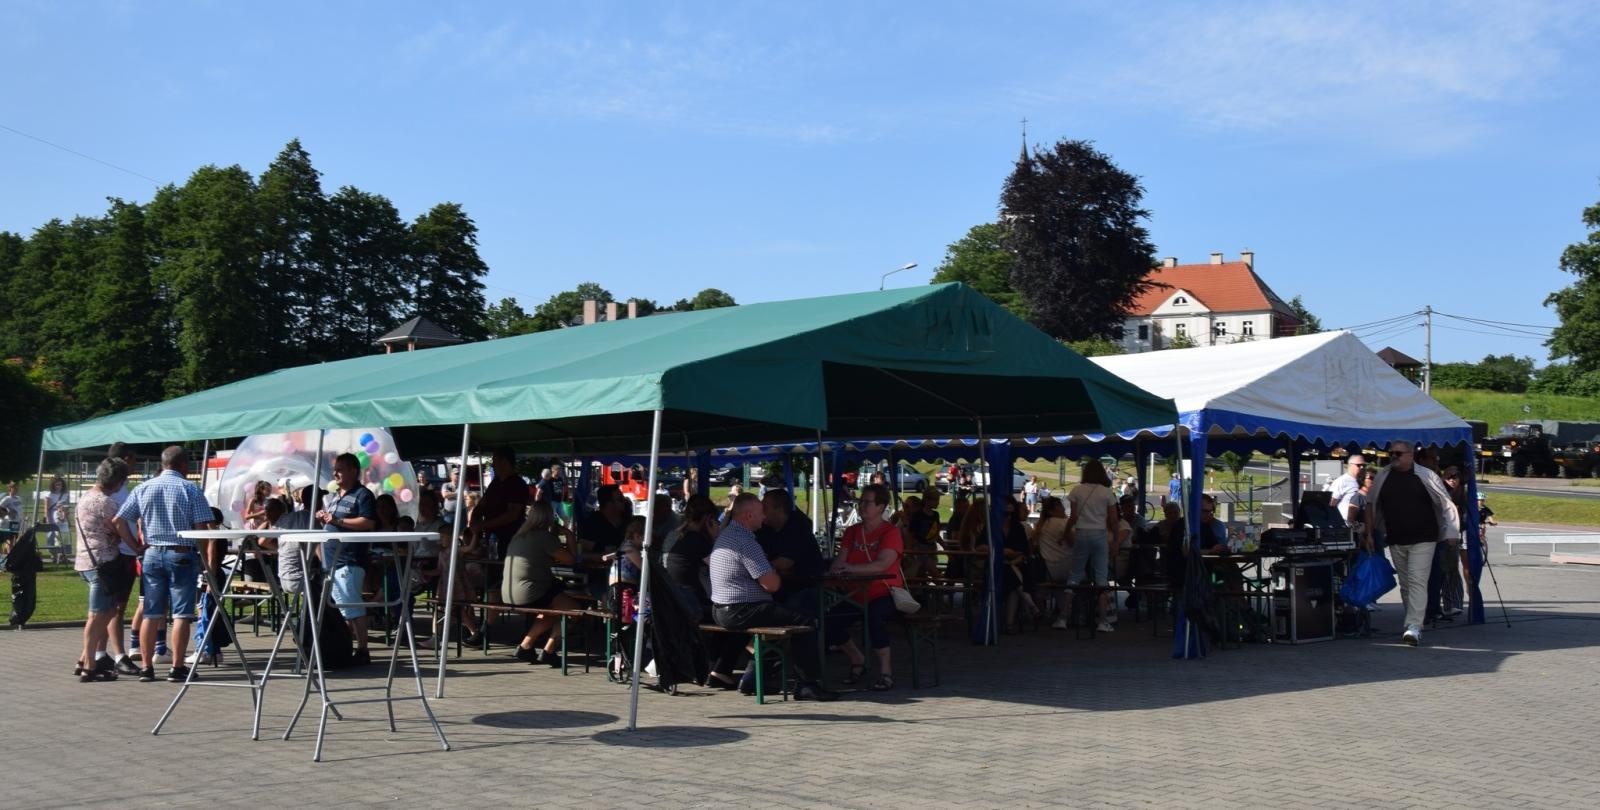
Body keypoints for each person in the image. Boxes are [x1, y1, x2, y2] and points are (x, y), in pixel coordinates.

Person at [709, 493, 837, 701]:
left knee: (783, 616)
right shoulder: (746, 542)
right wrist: (772, 571)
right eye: (761, 513)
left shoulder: (728, 535)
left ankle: (753, 678)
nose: (764, 517)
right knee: (805, 621)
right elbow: (772, 585)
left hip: (722, 608)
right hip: (742, 609)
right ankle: (807, 684)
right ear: (749, 516)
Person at [112, 445, 215, 683]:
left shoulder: (143, 487)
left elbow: (118, 521)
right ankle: (177, 667)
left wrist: (136, 546)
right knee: (182, 614)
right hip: (181, 552)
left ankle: (147, 667)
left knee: (151, 612)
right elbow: (202, 530)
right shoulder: (190, 489)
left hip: (152, 553)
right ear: (183, 465)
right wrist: (206, 563)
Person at [1365, 440, 1459, 647]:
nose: (1394, 457)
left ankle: (1414, 626)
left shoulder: (1426, 475)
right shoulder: (1383, 475)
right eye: (1391, 453)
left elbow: (1446, 503)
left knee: (1417, 581)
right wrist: (1370, 533)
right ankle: (1412, 622)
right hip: (1397, 538)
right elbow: (1371, 503)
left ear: (1410, 455)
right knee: (1406, 584)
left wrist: (1451, 531)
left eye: (1398, 453)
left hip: (1424, 538)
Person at [825, 483, 902, 691]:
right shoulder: (852, 531)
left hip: (884, 592)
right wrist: (837, 569)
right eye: (861, 501)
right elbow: (840, 561)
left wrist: (850, 568)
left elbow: (882, 564)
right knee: (830, 620)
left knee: (874, 617)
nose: (862, 506)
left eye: (867, 502)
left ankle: (886, 672)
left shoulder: (891, 532)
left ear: (881, 506)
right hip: (855, 594)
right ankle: (857, 659)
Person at [315, 452, 378, 665]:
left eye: (340, 469)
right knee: (344, 607)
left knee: (352, 606)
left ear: (353, 470)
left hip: (349, 560)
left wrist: (338, 521)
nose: (335, 473)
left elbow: (368, 523)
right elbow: (333, 522)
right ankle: (347, 646)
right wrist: (325, 518)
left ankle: (362, 649)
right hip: (331, 561)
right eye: (335, 469)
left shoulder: (363, 495)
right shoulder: (335, 496)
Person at [75, 459, 134, 682]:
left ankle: (83, 658)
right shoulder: (107, 503)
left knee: (106, 612)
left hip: (85, 561)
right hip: (104, 563)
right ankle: (90, 666)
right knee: (99, 615)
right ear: (118, 482)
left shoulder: (84, 498)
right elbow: (119, 529)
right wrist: (136, 546)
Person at [502, 500, 578, 666]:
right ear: (550, 517)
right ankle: (548, 650)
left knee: (556, 608)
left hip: (508, 591)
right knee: (573, 609)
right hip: (530, 591)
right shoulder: (544, 537)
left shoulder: (519, 536)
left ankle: (527, 646)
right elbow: (571, 560)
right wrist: (568, 534)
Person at [1066, 458, 1120, 633]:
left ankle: (1062, 617)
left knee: (1074, 575)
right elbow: (1113, 519)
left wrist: (1066, 532)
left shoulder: (1076, 490)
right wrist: (1116, 541)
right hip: (1099, 535)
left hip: (1081, 533)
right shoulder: (1107, 492)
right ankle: (1103, 620)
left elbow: (1073, 517)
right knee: (1101, 577)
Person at [755, 488, 824, 614]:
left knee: (784, 610)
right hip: (776, 586)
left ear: (780, 509)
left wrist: (756, 568)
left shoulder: (798, 526)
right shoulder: (764, 529)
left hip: (804, 588)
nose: (761, 512)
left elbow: (784, 563)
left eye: (765, 507)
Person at [663, 494, 719, 615]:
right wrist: (716, 538)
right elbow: (720, 568)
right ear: (708, 519)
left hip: (671, 597)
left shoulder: (672, 535)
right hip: (692, 602)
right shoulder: (696, 540)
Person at [470, 448, 530, 560]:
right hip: (491, 538)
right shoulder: (495, 483)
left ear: (505, 462)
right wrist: (475, 517)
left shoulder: (517, 484)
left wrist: (483, 524)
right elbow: (482, 504)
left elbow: (512, 514)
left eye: (495, 460)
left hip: (509, 539)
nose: (493, 465)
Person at [579, 484, 629, 556]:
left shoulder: (627, 520)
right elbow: (582, 546)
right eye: (620, 499)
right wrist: (603, 549)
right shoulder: (593, 523)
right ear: (609, 504)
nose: (624, 501)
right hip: (602, 565)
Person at [1327, 454, 1367, 524]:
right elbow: (1331, 504)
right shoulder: (1342, 481)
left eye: (1364, 465)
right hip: (1345, 524)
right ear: (1350, 465)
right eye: (1359, 465)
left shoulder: (1363, 481)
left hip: (1360, 523)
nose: (1362, 467)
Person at [45, 475, 70, 551]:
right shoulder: (49, 495)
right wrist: (48, 519)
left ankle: (62, 555)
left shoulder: (65, 494)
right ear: (53, 485)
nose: (59, 486)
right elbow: (47, 509)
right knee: (53, 536)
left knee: (64, 536)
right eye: (57, 484)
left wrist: (66, 516)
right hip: (52, 517)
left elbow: (67, 507)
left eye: (60, 484)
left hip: (63, 517)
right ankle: (54, 555)